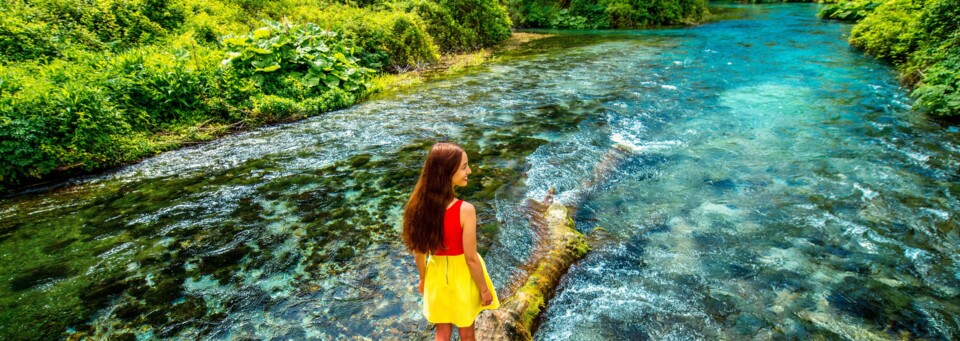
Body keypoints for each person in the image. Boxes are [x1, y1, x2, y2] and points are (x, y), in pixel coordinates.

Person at [403, 142, 500, 341]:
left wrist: (423, 278)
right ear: (447, 172)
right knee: (466, 332)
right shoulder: (465, 210)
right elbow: (471, 258)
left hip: (436, 275)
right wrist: (484, 289)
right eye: (464, 166)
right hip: (463, 277)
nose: (469, 171)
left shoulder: (418, 206)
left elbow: (418, 252)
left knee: (442, 332)